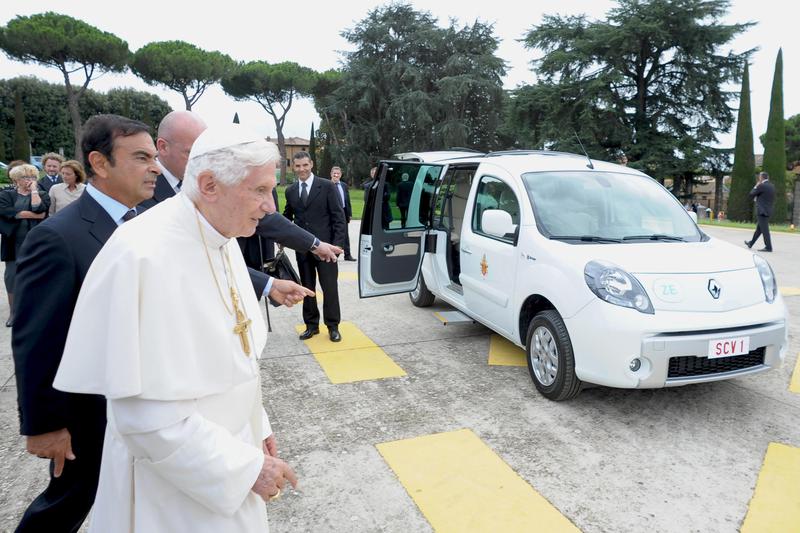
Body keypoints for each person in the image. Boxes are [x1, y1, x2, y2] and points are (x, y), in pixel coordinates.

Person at [53, 123, 299, 532]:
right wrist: (243, 470)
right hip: (172, 488)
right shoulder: (143, 255)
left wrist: (259, 425)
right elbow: (143, 417)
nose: (269, 206)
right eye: (259, 191)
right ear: (209, 184)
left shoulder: (221, 238)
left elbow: (234, 359)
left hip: (230, 453)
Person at [11, 114, 159, 532]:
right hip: (87, 413)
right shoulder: (59, 236)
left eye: (154, 156)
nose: (155, 167)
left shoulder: (146, 225)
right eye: (141, 157)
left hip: (140, 400)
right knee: (67, 504)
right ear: (99, 162)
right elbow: (37, 338)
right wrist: (45, 425)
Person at [140, 110, 341, 301]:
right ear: (163, 146)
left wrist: (311, 246)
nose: (203, 161)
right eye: (193, 152)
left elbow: (224, 260)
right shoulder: (139, 195)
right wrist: (269, 284)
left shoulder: (226, 223)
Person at [284, 151, 347, 342]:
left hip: (326, 249)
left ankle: (333, 326)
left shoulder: (327, 186)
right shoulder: (291, 191)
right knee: (306, 287)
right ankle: (311, 325)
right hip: (303, 250)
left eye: (305, 165)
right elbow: (288, 217)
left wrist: (337, 245)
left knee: (329, 288)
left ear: (311, 164)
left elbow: (338, 217)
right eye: (298, 166)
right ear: (293, 167)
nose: (301, 169)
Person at [0, 164, 50, 327]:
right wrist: (29, 215)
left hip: (35, 241)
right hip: (13, 242)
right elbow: (5, 212)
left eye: (33, 177)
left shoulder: (41, 193)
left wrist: (34, 191)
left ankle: (37, 311)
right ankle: (14, 313)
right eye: (26, 178)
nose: (30, 180)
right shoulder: (6, 194)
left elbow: (41, 211)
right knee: (12, 277)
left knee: (37, 275)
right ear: (16, 180)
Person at [745, 171, 776, 252]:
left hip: (762, 211)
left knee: (765, 230)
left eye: (759, 177)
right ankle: (751, 243)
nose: (759, 178)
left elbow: (751, 194)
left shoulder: (761, 185)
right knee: (759, 230)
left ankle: (768, 247)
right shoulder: (772, 186)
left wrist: (756, 186)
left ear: (761, 178)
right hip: (768, 210)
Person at [330, 166, 355, 260]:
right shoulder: (328, 184)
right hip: (331, 213)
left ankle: (347, 255)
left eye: (338, 173)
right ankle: (332, 254)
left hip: (343, 212)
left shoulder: (344, 185)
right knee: (332, 233)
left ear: (340, 175)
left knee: (345, 234)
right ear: (331, 174)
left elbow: (347, 200)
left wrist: (349, 214)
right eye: (334, 173)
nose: (336, 175)